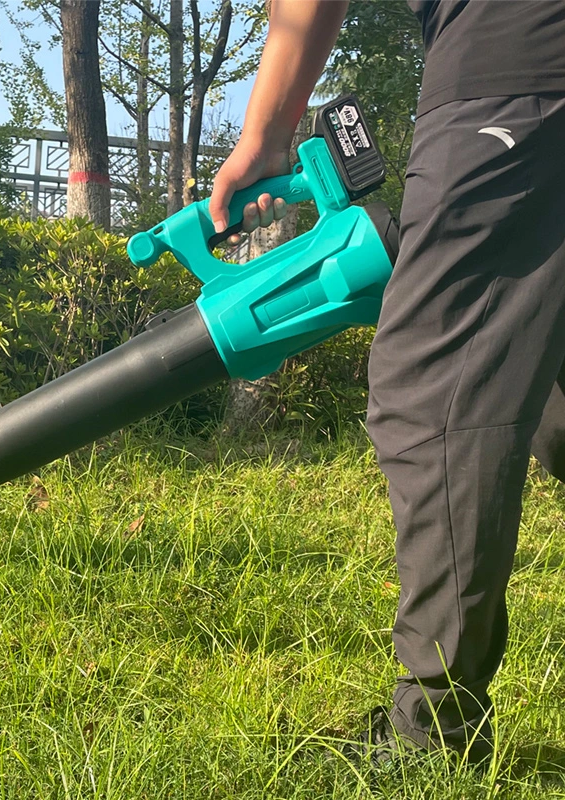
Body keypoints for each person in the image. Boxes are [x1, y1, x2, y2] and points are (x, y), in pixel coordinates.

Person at [209, 0, 565, 767]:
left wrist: (265, 135)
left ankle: (433, 732)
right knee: (548, 387)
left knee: (434, 384)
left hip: (518, 66)